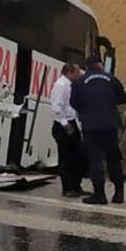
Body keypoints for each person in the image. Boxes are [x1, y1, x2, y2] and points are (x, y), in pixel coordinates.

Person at [70, 52, 126, 205]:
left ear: (87, 67)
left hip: (91, 126)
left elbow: (74, 103)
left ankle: (99, 195)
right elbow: (123, 98)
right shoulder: (111, 79)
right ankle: (119, 193)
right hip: (110, 125)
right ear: (100, 64)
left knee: (95, 160)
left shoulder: (79, 82)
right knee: (113, 159)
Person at [50, 62, 85, 197]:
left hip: (72, 121)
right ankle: (67, 188)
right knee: (66, 157)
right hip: (63, 124)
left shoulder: (71, 85)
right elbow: (56, 107)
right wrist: (65, 124)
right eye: (77, 72)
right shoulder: (60, 85)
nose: (78, 74)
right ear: (70, 72)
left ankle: (76, 185)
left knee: (77, 156)